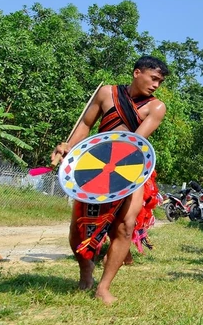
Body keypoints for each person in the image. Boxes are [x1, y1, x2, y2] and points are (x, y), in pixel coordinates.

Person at [50, 56, 169, 304]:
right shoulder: (106, 93)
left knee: (125, 226)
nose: (156, 85)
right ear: (137, 73)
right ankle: (86, 270)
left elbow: (133, 143)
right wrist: (68, 146)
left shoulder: (156, 107)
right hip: (94, 167)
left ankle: (104, 287)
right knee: (78, 227)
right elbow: (85, 123)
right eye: (153, 78)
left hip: (131, 170)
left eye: (160, 81)